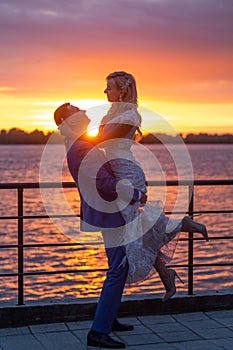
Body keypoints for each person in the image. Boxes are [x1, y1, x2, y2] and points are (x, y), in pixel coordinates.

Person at [96, 70, 208, 301]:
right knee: (138, 231)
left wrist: (73, 139)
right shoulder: (113, 113)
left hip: (128, 173)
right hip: (118, 173)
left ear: (122, 90)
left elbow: (101, 139)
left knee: (133, 232)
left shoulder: (129, 114)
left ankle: (182, 223)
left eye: (110, 87)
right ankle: (167, 275)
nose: (105, 91)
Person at [54, 103, 147, 349]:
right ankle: (98, 331)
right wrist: (138, 195)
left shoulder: (80, 144)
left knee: (117, 267)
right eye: (76, 110)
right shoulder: (82, 148)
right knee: (118, 270)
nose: (83, 111)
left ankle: (109, 318)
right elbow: (106, 184)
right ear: (69, 120)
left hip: (106, 212)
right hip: (110, 213)